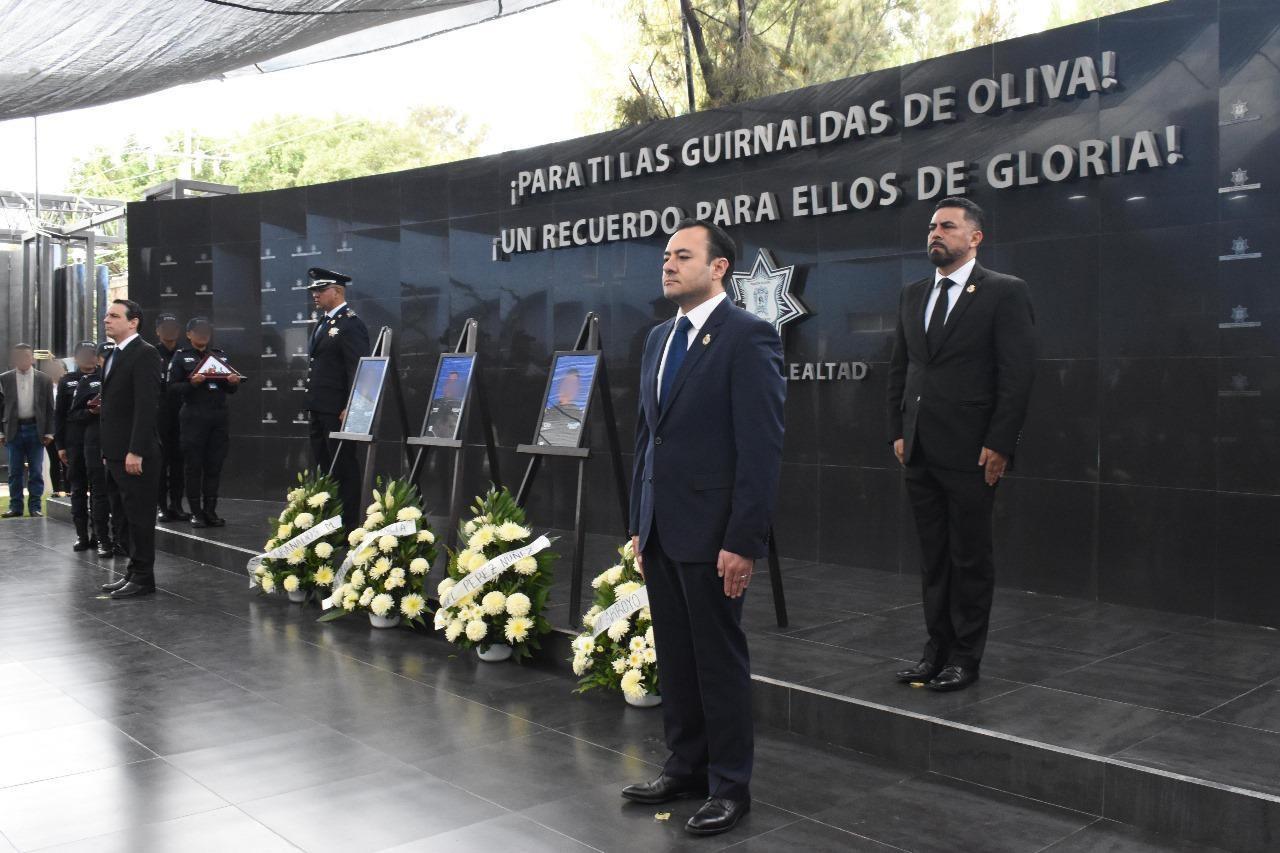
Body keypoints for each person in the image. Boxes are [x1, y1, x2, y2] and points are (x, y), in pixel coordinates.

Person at [623, 218, 785, 837]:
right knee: (677, 657)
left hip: (715, 533)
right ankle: (685, 766)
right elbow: (647, 437)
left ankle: (729, 786)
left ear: (718, 267)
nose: (668, 264)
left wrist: (743, 539)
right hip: (662, 530)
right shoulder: (658, 338)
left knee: (717, 662)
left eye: (682, 255)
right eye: (666, 255)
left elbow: (761, 447)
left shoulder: (750, 338)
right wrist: (640, 521)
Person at [887, 197, 1038, 692]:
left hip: (974, 452)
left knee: (969, 558)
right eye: (932, 226)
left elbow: (1016, 375)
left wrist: (1001, 443)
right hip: (921, 450)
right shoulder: (913, 294)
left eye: (947, 226)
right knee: (934, 559)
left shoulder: (1003, 293)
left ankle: (965, 658)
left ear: (975, 238)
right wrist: (898, 429)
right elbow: (901, 368)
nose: (936, 233)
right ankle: (936, 652)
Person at [98, 299, 163, 599]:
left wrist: (136, 450)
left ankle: (143, 577)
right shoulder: (112, 354)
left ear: (133, 321)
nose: (106, 320)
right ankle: (132, 572)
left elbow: (146, 407)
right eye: (106, 316)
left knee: (139, 516)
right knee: (123, 515)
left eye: (114, 316)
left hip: (135, 454)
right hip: (114, 452)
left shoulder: (145, 354)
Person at [304, 267, 370, 530]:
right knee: (325, 464)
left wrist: (351, 407)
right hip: (319, 407)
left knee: (343, 466)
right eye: (313, 291)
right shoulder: (324, 323)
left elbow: (358, 367)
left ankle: (349, 525)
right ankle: (331, 521)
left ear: (338, 291)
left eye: (320, 290)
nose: (315, 295)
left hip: (337, 409)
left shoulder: (350, 324)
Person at [166, 317, 240, 528]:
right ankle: (196, 512)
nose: (202, 335)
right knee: (193, 466)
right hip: (193, 416)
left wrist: (232, 383)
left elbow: (231, 389)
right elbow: (172, 389)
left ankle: (210, 511)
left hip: (218, 416)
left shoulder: (219, 356)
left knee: (214, 465)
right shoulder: (181, 357)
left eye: (206, 331)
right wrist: (192, 383)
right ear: (188, 335)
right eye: (197, 331)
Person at [0, 343, 56, 517]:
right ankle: (15, 507)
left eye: (26, 356)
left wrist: (49, 432)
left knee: (36, 471)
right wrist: (1, 432)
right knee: (14, 471)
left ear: (32, 358)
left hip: (36, 429)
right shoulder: (4, 379)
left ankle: (35, 507)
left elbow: (49, 407)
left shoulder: (44, 379)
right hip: (14, 429)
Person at [54, 343, 101, 549]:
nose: (88, 358)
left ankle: (100, 535)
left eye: (92, 354)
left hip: (100, 441)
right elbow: (60, 415)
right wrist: (60, 445)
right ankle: (82, 535)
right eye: (84, 354)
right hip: (75, 442)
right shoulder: (67, 380)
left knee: (100, 491)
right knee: (78, 488)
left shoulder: (105, 377)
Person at [87, 342, 121, 559]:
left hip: (118, 442)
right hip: (94, 441)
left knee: (119, 496)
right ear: (98, 359)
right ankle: (103, 540)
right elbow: (72, 414)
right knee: (100, 493)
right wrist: (92, 411)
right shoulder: (88, 381)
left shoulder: (123, 379)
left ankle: (121, 540)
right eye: (105, 356)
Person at [154, 312, 189, 521]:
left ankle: (176, 504)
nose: (170, 332)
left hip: (182, 414)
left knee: (179, 462)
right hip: (159, 415)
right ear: (157, 331)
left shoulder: (185, 354)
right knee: (160, 463)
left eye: (174, 328)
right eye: (165, 328)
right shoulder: (150, 354)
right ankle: (161, 506)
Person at [537, 368, 585, 446]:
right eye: (566, 383)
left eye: (573, 385)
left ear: (578, 389)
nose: (568, 388)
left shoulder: (582, 415)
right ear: (560, 385)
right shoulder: (545, 413)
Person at [45, 357, 69, 497]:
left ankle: (68, 490)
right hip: (52, 431)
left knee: (67, 460)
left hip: (66, 430)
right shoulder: (47, 388)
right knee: (54, 461)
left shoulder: (70, 386)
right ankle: (55, 490)